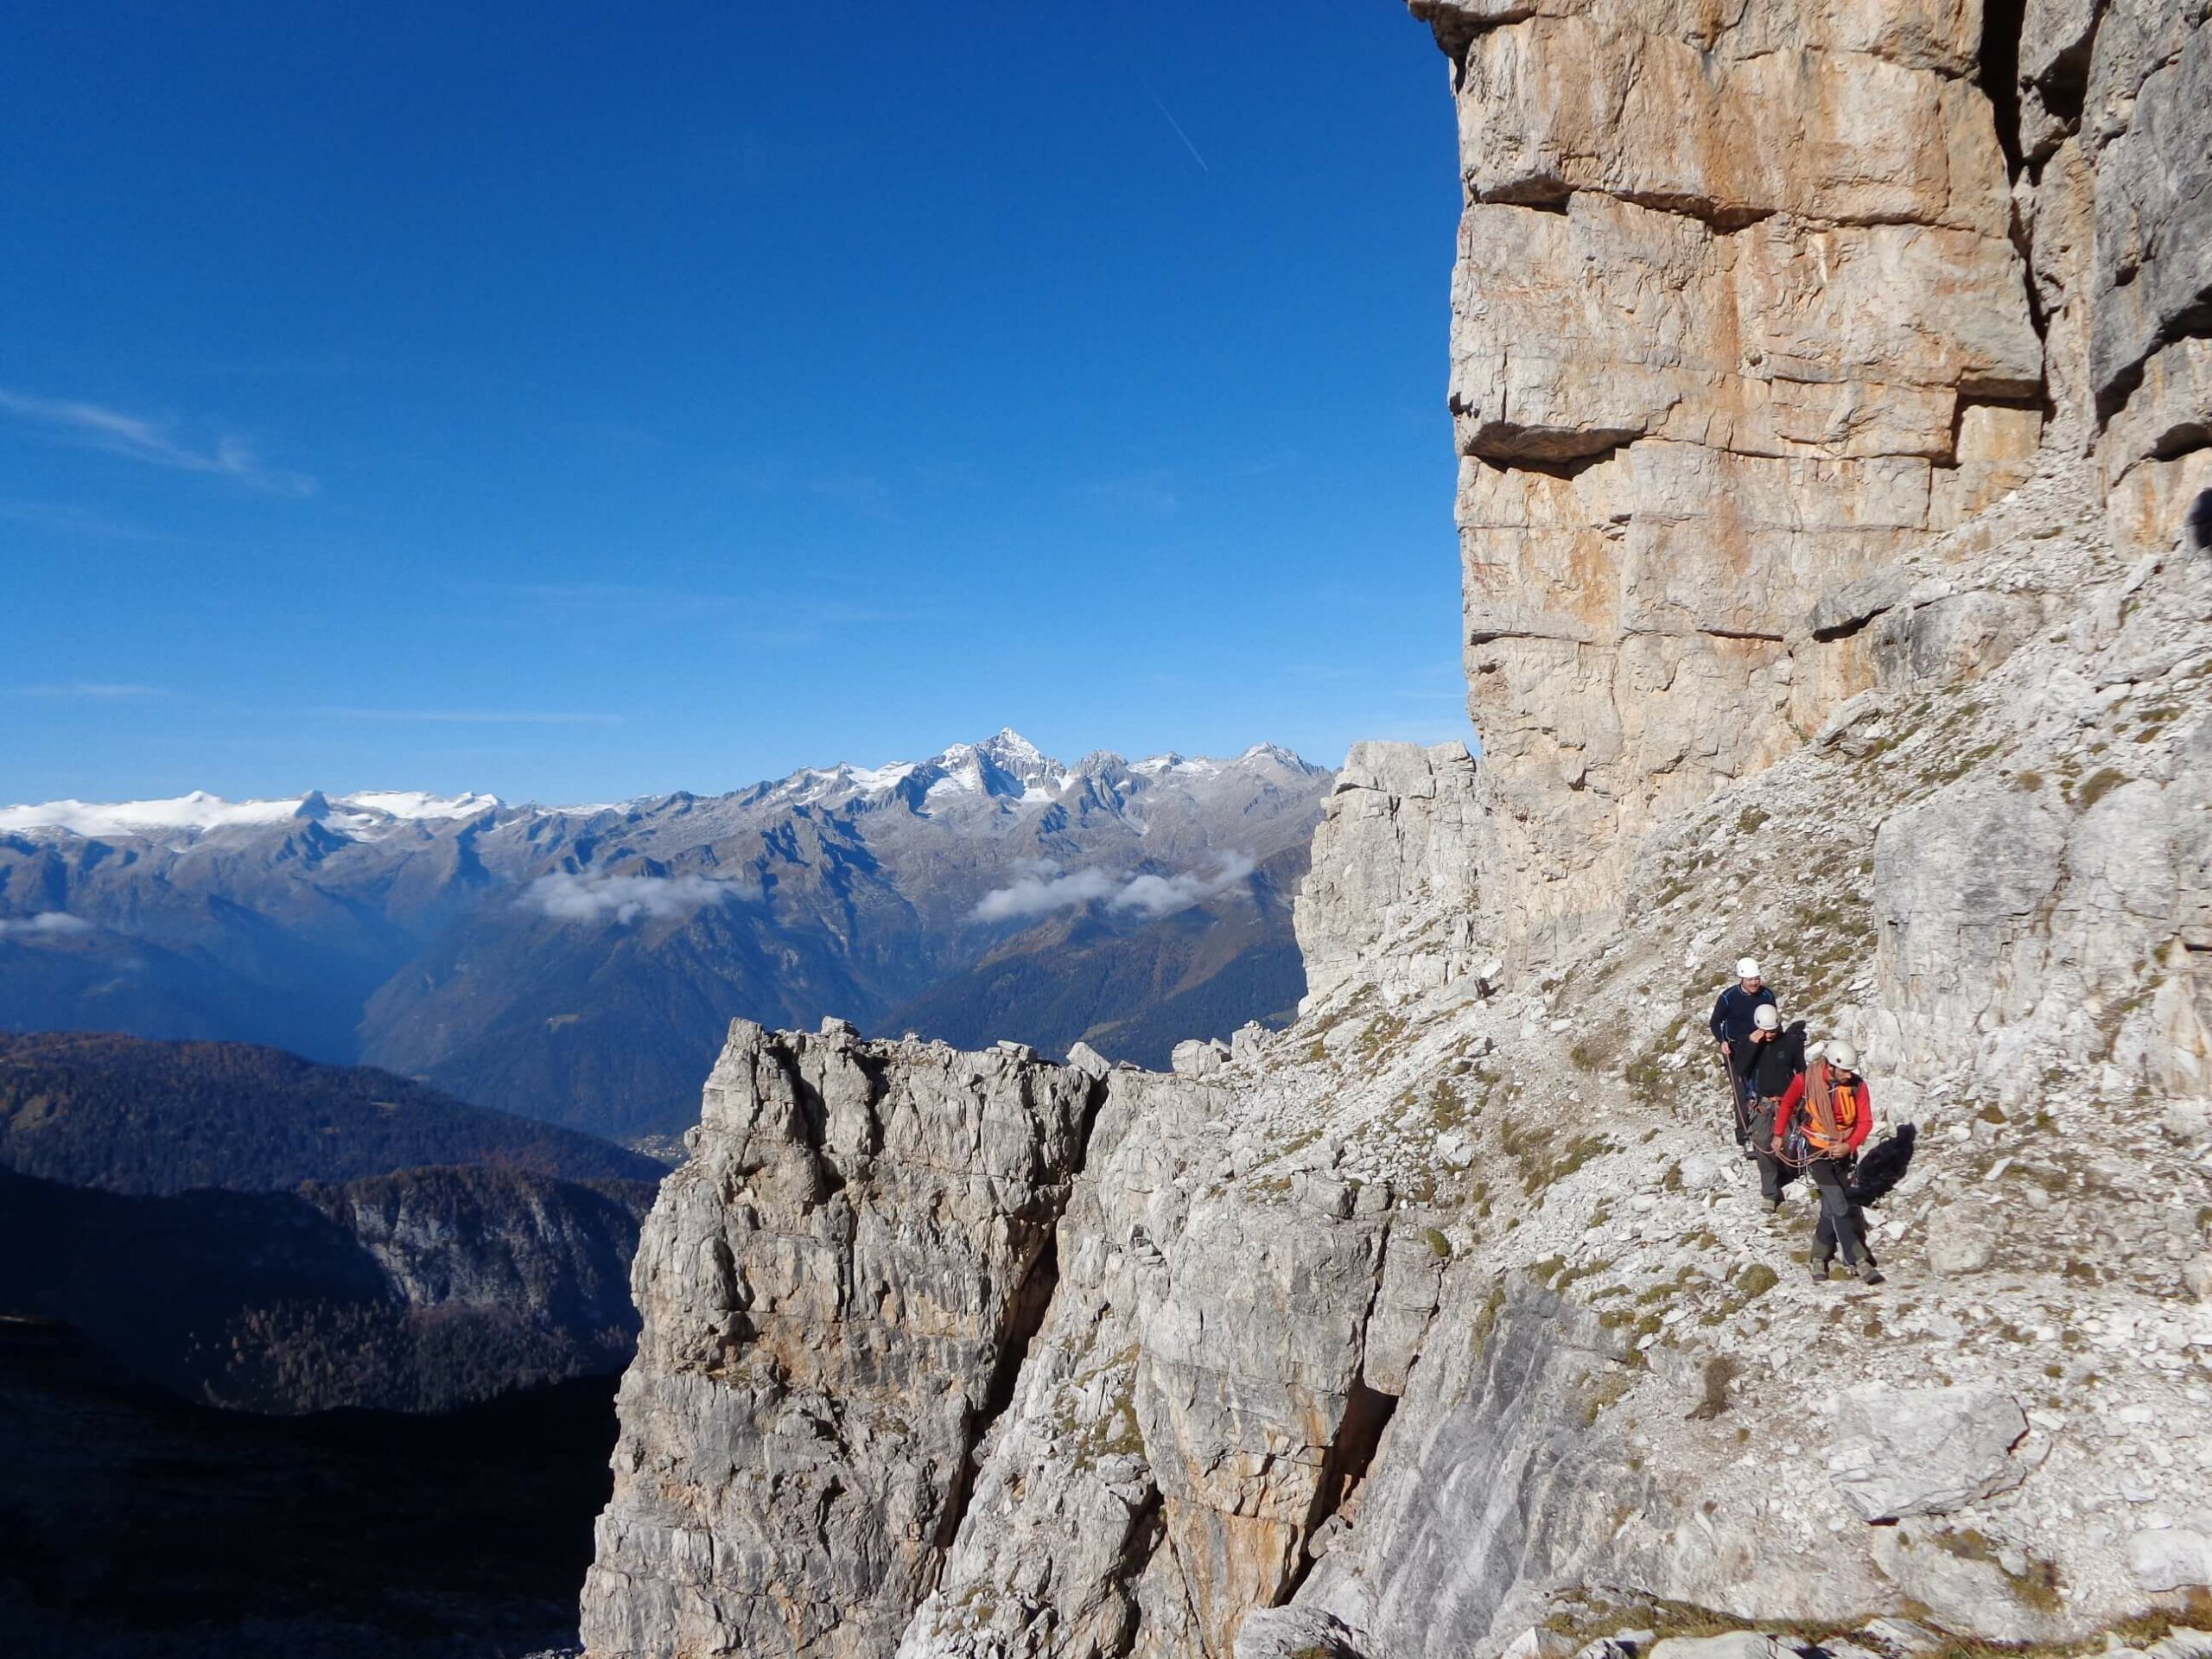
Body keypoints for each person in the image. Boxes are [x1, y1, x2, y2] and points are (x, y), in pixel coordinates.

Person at [1772, 1040, 1883, 1284]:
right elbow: (1788, 1103)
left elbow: (1865, 1122)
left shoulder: (1857, 1087)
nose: (1848, 1075)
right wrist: (1779, 1134)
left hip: (1843, 1153)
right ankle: (1859, 1261)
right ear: (1830, 1066)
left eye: (1850, 1071)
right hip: (1816, 1151)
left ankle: (1818, 1257)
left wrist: (1848, 1145)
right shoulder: (1807, 1080)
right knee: (1839, 1203)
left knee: (1831, 1208)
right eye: (1844, 1070)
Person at [1737, 1003, 1801, 1209]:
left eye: (1772, 1031)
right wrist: (1750, 1046)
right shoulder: (1750, 1044)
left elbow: (1801, 1072)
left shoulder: (1790, 1043)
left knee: (1790, 1143)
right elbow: (1740, 1069)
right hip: (1761, 1104)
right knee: (1764, 1147)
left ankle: (1790, 1178)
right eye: (1766, 1031)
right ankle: (1770, 1194)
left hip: (1787, 1102)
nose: (1770, 1035)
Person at [1708, 958, 1777, 1141]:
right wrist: (1722, 1041)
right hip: (1735, 1048)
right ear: (1741, 979)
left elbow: (1773, 1019)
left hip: (1761, 1046)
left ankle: (1767, 1126)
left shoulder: (1767, 995)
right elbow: (1715, 1022)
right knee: (1741, 1091)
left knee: (1765, 1086)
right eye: (1750, 980)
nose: (1754, 983)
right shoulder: (1728, 997)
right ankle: (1743, 1132)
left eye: (1756, 978)